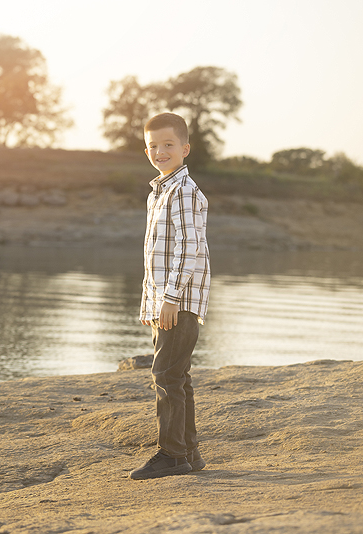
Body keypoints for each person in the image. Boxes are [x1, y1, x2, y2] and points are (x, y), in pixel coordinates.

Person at [130, 112, 211, 480]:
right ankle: (189, 452)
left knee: (165, 375)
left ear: (184, 148)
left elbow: (188, 248)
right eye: (153, 146)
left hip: (177, 301)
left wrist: (171, 297)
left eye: (168, 145)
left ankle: (172, 455)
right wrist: (153, 302)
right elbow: (156, 255)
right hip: (165, 301)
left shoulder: (183, 190)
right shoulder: (159, 191)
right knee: (177, 375)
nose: (160, 151)